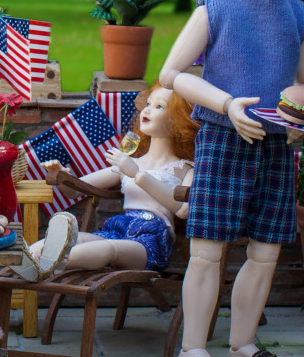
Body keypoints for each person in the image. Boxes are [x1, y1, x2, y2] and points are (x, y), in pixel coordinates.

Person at [159, 0, 304, 357]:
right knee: (208, 252)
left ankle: (243, 347)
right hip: (223, 140)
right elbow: (172, 73)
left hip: (276, 146)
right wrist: (227, 105)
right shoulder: (216, 5)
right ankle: (192, 351)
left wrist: (300, 117)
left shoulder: (295, 12)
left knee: (266, 252)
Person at [38, 84, 196, 274]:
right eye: (148, 104)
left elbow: (184, 210)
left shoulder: (186, 169)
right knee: (79, 239)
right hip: (119, 229)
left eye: (159, 106)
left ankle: (50, 260)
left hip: (150, 240)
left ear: (179, 119)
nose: (146, 110)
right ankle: (26, 260)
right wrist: (63, 177)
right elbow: (74, 191)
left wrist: (137, 174)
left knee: (109, 248)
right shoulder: (128, 163)